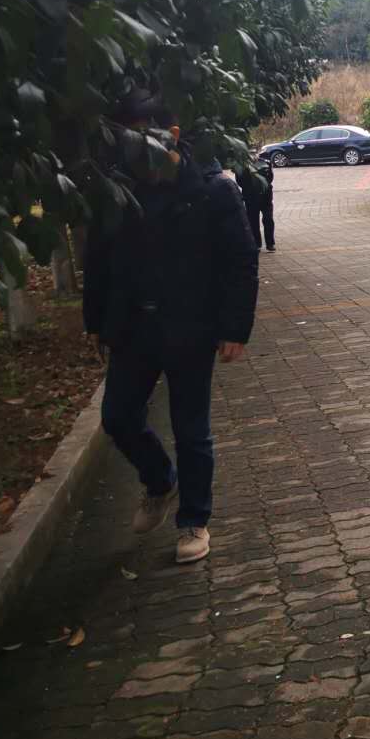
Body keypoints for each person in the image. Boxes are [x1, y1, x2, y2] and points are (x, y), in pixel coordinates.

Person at [84, 94, 259, 564]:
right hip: (133, 328)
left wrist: (235, 328)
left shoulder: (213, 191)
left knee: (191, 430)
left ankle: (193, 521)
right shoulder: (119, 192)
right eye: (124, 139)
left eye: (140, 137)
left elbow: (241, 261)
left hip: (190, 328)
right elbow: (97, 260)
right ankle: (161, 481)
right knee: (117, 416)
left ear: (172, 135)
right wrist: (95, 320)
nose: (131, 149)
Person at [243, 159, 276, 252]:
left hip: (265, 197)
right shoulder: (243, 165)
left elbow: (270, 178)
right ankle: (256, 244)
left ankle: (270, 243)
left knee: (268, 220)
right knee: (253, 221)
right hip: (251, 197)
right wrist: (249, 188)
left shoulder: (266, 163)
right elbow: (241, 181)